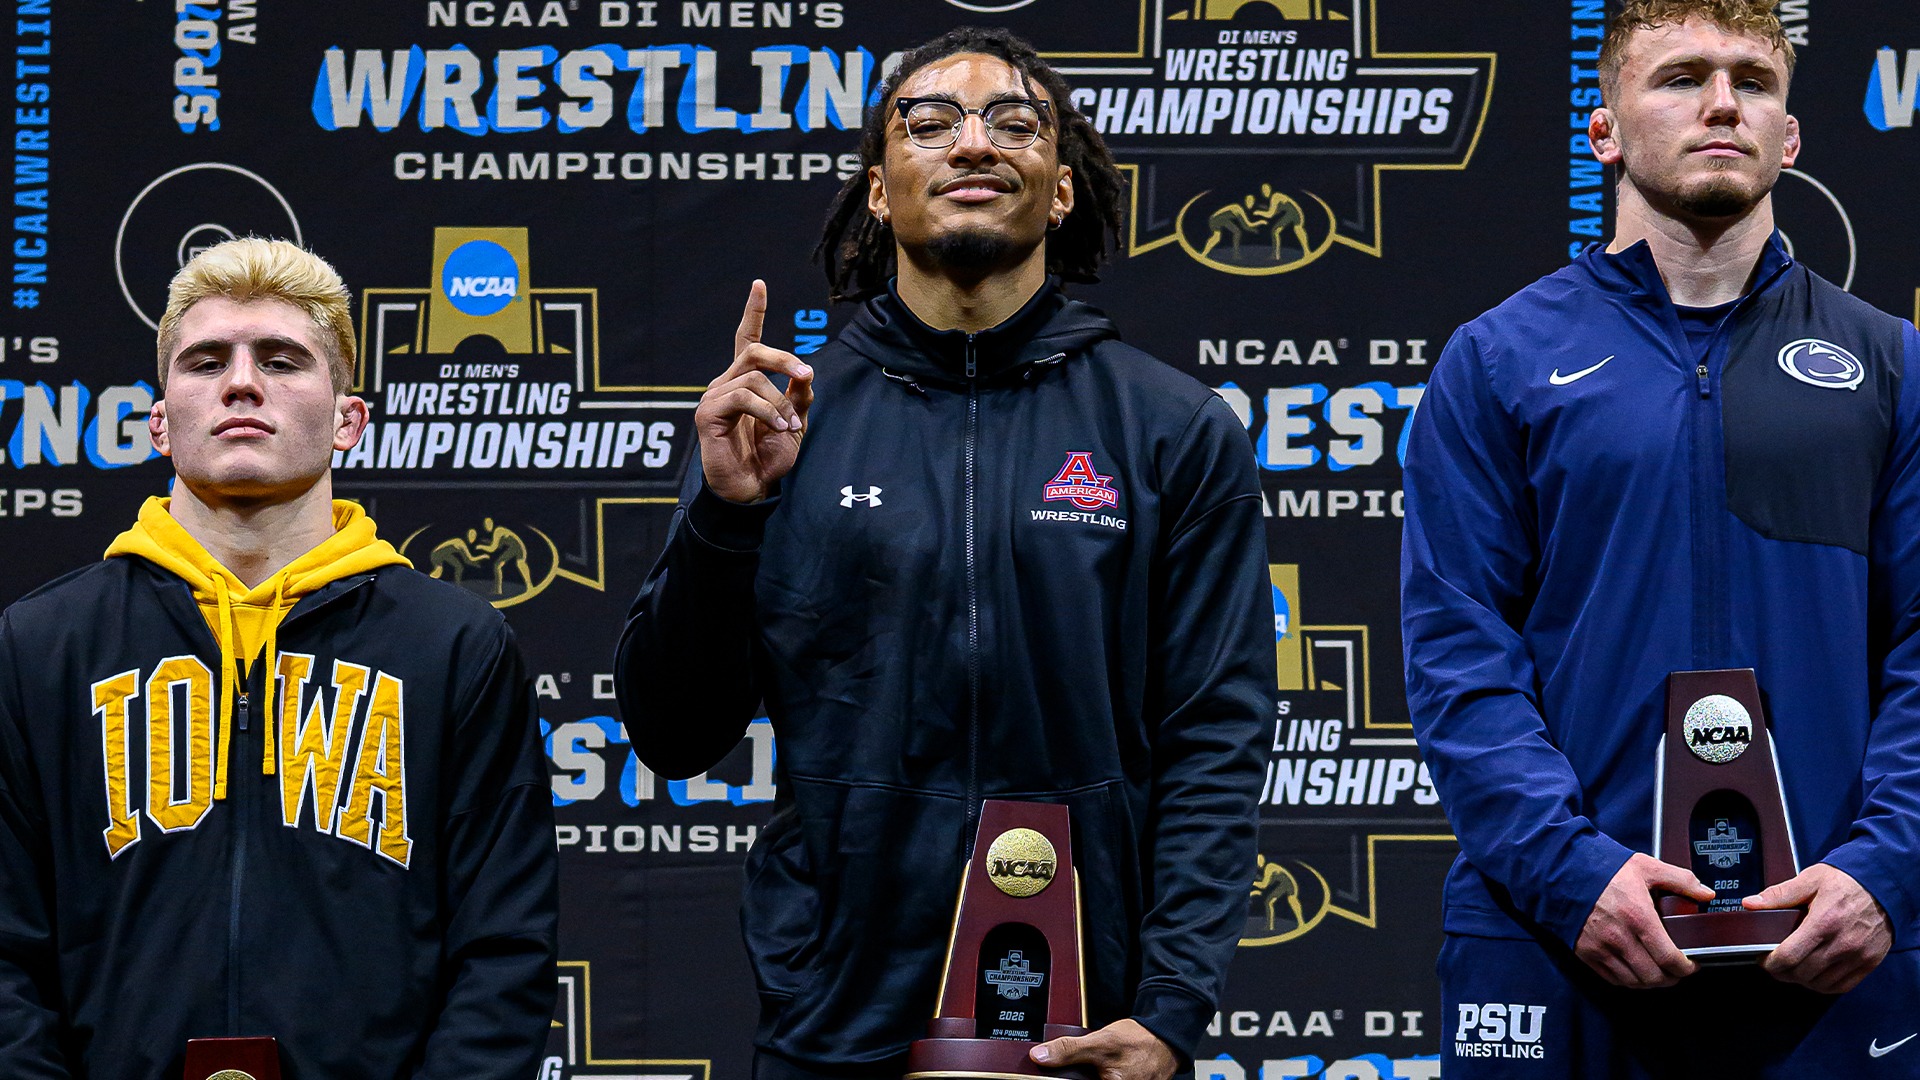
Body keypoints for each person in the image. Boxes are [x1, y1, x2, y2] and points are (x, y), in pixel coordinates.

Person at [615, 26, 1273, 1080]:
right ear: (880, 190)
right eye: (930, 123)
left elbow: (1216, 739)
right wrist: (725, 518)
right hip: (836, 1014)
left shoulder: (1172, 429)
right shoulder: (780, 422)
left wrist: (1171, 1004)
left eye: (1015, 123)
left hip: (1090, 1023)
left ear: (1061, 189)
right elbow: (673, 731)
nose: (974, 144)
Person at [1401, 1, 1920, 1074]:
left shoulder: (1892, 365)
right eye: (1680, 77)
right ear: (1604, 130)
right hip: (1564, 945)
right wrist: (1569, 871)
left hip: (1833, 947)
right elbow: (1460, 652)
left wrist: (1888, 868)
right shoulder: (1496, 360)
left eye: (1754, 81)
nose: (1722, 102)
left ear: (1790, 137)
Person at [0, 238, 559, 1078]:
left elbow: (503, 951)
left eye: (283, 359)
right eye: (205, 361)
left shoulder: (452, 645)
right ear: (159, 419)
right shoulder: (42, 644)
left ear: (348, 420)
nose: (241, 382)